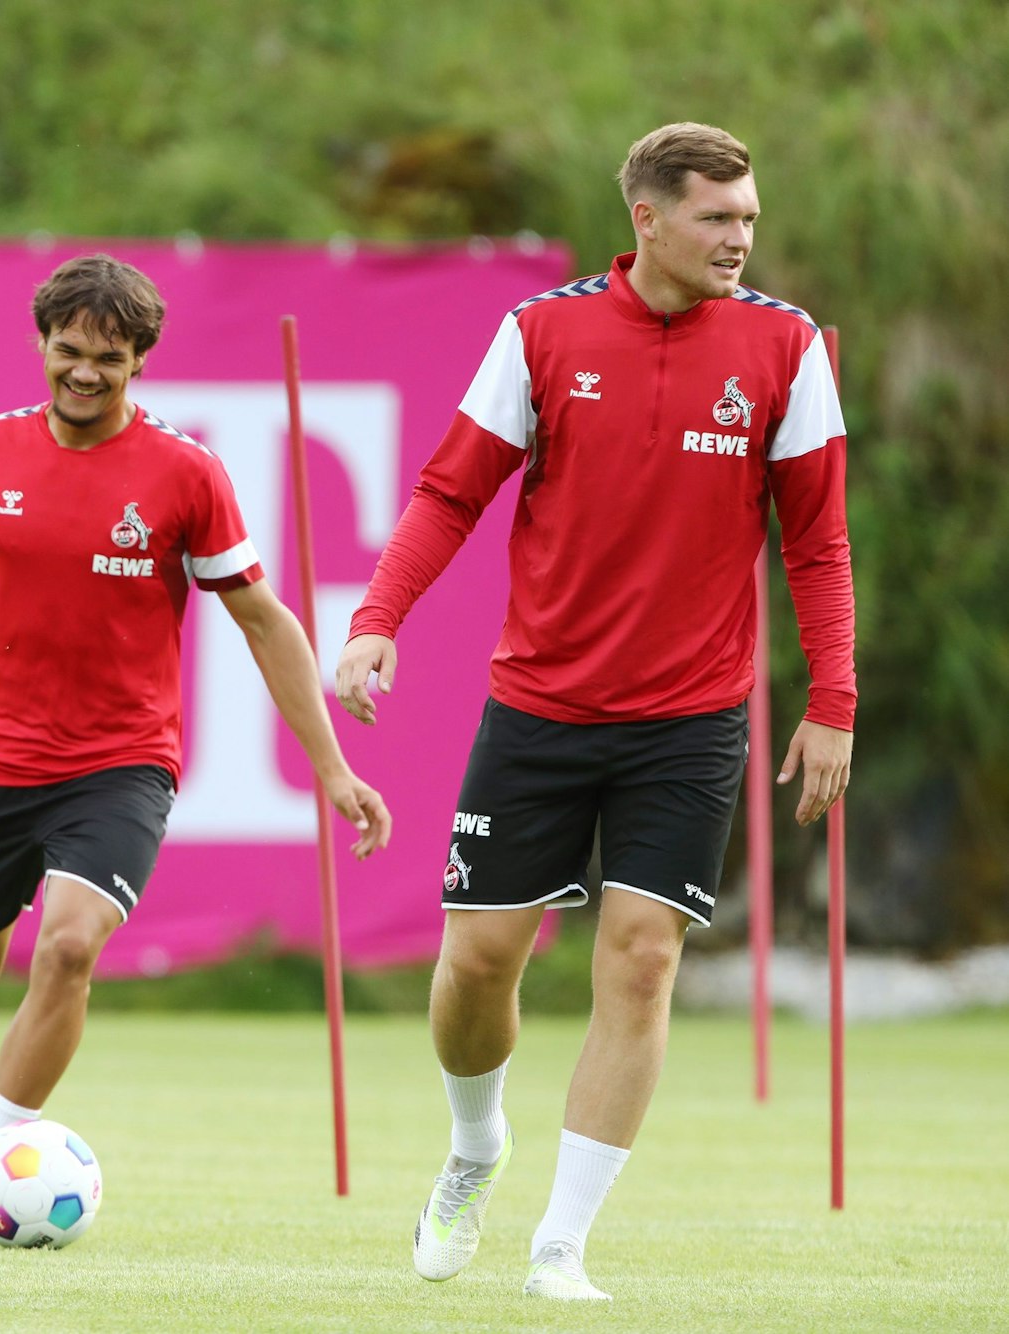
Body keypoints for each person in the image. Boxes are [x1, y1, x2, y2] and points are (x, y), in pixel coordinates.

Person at [335, 123, 854, 1301]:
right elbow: (446, 491)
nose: (740, 240)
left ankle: (559, 1244)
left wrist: (832, 699)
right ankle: (475, 1144)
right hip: (540, 704)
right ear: (647, 220)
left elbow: (816, 544)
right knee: (476, 966)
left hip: (690, 716)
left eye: (749, 218)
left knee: (637, 959)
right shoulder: (540, 331)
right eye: (717, 218)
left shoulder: (784, 348)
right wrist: (378, 617)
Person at [0, 253, 393, 1244]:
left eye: (108, 358)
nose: (83, 372)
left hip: (120, 759)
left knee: (70, 941)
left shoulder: (184, 473)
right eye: (68, 351)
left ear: (138, 361)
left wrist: (331, 766)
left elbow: (261, 619)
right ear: (41, 343)